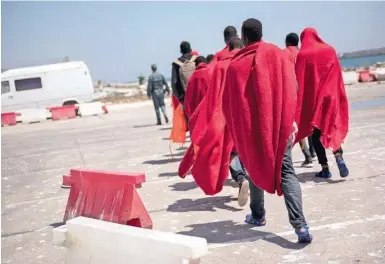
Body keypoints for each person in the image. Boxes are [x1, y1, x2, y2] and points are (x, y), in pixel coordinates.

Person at [222, 18, 312, 243]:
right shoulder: (277, 54)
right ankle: (300, 225)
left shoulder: (235, 65)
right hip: (279, 126)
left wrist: (237, 133)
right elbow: (293, 86)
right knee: (287, 172)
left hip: (253, 130)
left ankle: (259, 215)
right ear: (261, 33)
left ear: (243, 36)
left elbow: (229, 105)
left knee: (253, 167)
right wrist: (289, 118)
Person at [179, 37, 249, 206]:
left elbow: (191, 100)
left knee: (222, 151)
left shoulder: (205, 71)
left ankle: (240, 177)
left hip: (214, 117)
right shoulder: (242, 62)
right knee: (238, 149)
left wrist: (192, 120)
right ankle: (246, 181)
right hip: (241, 114)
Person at [294, 27, 349, 179]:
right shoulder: (330, 50)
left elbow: (299, 80)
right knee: (331, 128)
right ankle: (339, 157)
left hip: (313, 102)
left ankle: (325, 169)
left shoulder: (303, 55)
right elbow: (337, 74)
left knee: (316, 135)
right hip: (330, 97)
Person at [283, 32, 315, 167]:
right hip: (307, 92)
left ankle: (307, 154)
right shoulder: (303, 53)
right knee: (309, 122)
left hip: (293, 93)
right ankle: (313, 151)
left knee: (296, 123)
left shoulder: (284, 54)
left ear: (286, 42)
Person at [171, 41, 197, 105]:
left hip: (185, 97)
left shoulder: (176, 63)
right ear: (190, 49)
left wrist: (180, 98)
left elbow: (174, 83)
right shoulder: (197, 59)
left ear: (181, 51)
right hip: (197, 95)